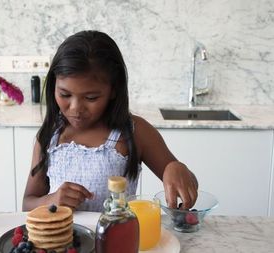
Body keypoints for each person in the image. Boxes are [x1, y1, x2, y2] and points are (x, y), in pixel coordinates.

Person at [22, 30, 198, 212]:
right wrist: (53, 199)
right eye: (65, 94)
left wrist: (175, 167)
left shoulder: (134, 132)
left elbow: (190, 183)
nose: (75, 108)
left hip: (119, 239)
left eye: (91, 97)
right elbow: (27, 204)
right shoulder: (50, 135)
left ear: (113, 90)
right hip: (62, 240)